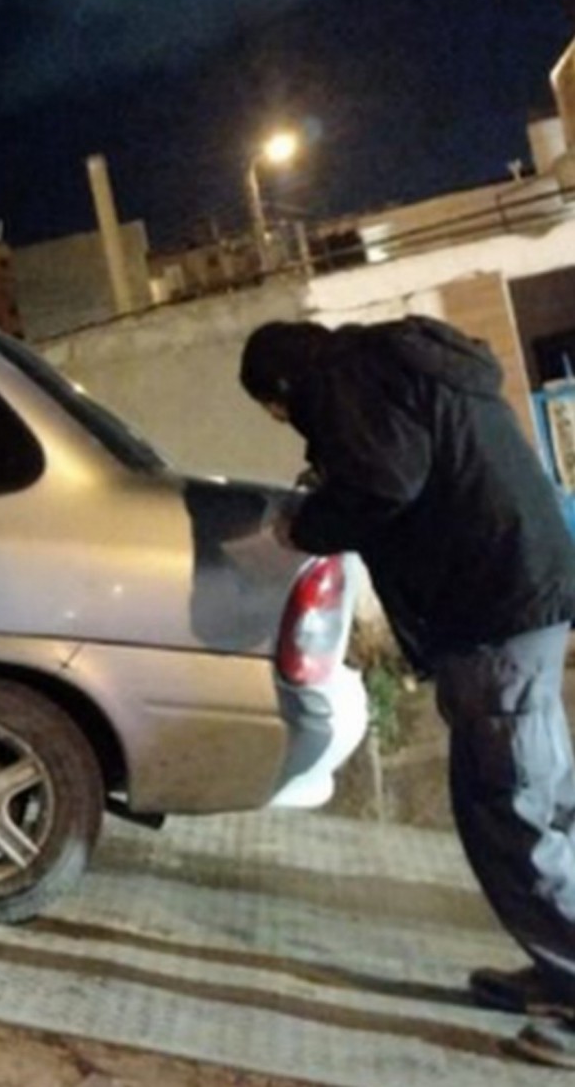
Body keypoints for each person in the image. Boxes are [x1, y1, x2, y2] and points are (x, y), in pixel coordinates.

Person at [240, 316, 575, 1068]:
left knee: (509, 807)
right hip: (525, 593)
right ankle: (558, 964)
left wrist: (310, 525)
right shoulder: (401, 361)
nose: (288, 423)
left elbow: (386, 480)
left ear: (283, 384)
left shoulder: (342, 379)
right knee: (539, 801)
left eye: (277, 410)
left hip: (492, 612)